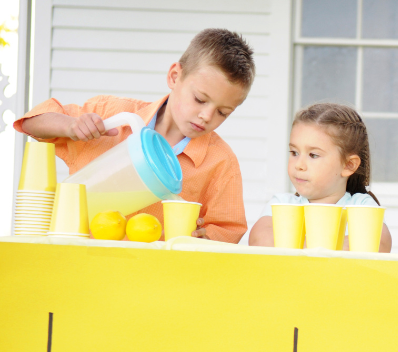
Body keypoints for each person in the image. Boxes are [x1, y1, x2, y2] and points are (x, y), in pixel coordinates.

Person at [13, 28, 255, 243]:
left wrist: (207, 238)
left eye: (223, 112)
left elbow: (228, 229)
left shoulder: (221, 162)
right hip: (79, 264)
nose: (206, 116)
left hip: (154, 280)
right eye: (200, 99)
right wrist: (70, 126)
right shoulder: (109, 113)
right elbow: (32, 123)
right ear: (174, 76)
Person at [249, 102, 392, 252]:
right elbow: (258, 240)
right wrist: (330, 248)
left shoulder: (361, 206)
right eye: (294, 153)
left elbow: (379, 245)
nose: (299, 165)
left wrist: (297, 244)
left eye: (313, 155)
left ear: (348, 165)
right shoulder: (282, 205)